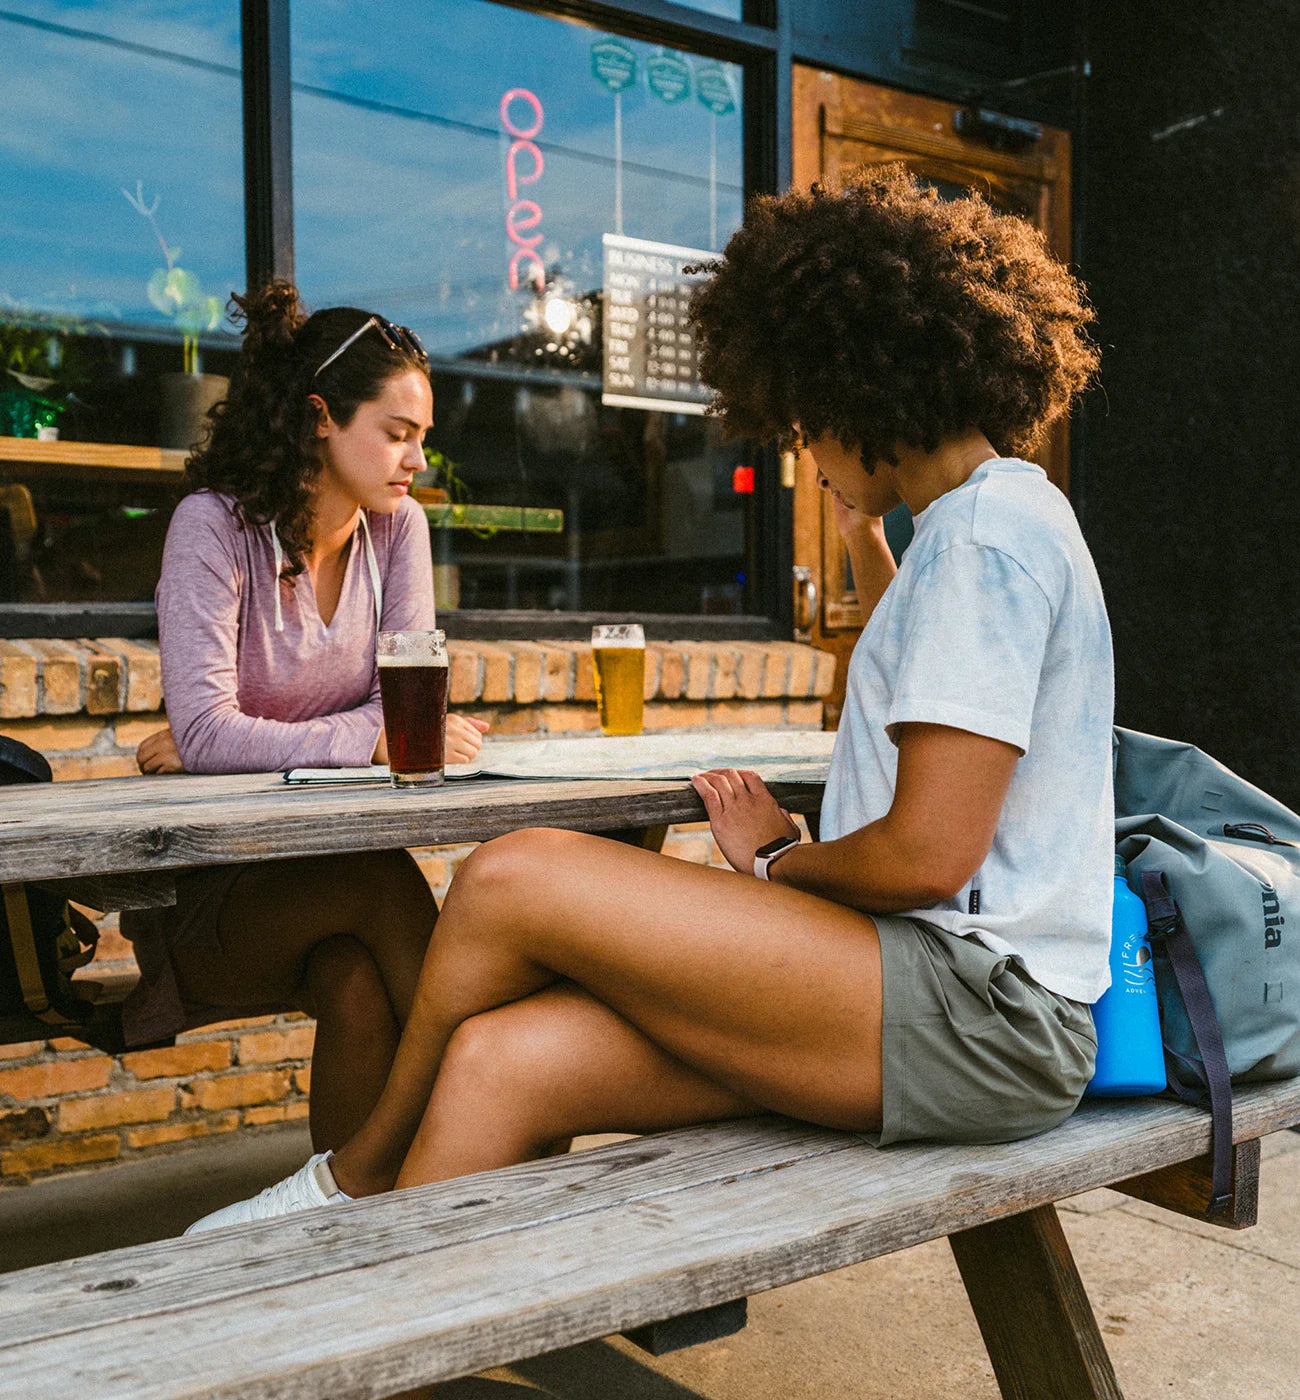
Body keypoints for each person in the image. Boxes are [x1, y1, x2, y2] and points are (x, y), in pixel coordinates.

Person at [187, 163, 1111, 1232]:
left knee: (513, 875)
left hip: (983, 1014)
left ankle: (350, 1177)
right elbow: (918, 658)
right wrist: (866, 527)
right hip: (926, 994)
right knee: (501, 1059)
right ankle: (375, 1322)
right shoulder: (980, 526)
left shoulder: (983, 543)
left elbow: (925, 858)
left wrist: (778, 858)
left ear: (852, 392)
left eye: (801, 419)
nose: (802, 449)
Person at [124, 282, 488, 1153]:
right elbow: (214, 732)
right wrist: (367, 737)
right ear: (321, 417)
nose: (416, 459)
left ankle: (352, 1199)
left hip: (330, 873)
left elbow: (404, 709)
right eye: (396, 434)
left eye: (422, 437)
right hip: (214, 892)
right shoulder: (213, 529)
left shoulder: (396, 531)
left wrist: (250, 740)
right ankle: (494, 1123)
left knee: (357, 983)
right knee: (382, 882)